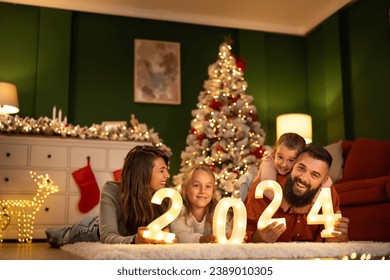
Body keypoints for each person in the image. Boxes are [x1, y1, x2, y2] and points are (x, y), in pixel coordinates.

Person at [45, 145, 172, 246]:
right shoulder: (112, 189)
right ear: (142, 172)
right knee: (63, 236)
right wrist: (134, 240)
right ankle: (53, 232)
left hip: (111, 224)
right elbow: (107, 236)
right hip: (93, 229)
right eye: (162, 171)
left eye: (167, 170)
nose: (167, 175)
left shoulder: (166, 196)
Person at [245, 145, 349, 243]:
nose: (303, 178)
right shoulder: (263, 188)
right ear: (292, 167)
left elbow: (334, 239)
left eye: (314, 175)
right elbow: (241, 235)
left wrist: (337, 238)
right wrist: (257, 238)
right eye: (301, 168)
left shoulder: (328, 194)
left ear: (323, 181)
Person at [170, 165, 230, 243]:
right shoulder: (177, 208)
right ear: (184, 188)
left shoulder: (218, 210)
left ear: (213, 191)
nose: (203, 191)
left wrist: (229, 235)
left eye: (208, 186)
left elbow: (224, 230)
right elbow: (179, 236)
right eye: (196, 185)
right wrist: (203, 239)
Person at [239, 132, 306, 201]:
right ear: (274, 153)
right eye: (280, 157)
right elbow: (268, 190)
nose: (284, 164)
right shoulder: (268, 164)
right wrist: (287, 205)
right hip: (256, 197)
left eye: (291, 160)